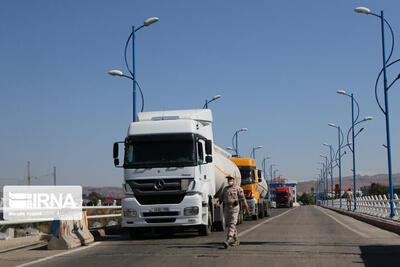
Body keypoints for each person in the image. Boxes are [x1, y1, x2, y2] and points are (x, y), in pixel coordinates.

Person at [216, 175, 250, 248]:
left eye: (230, 179)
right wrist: (218, 203)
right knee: (230, 225)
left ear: (233, 180)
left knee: (232, 224)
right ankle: (236, 240)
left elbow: (243, 199)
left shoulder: (238, 189)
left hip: (234, 208)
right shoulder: (225, 189)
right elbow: (221, 198)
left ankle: (228, 240)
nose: (229, 181)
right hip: (226, 208)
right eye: (228, 180)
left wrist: (247, 209)